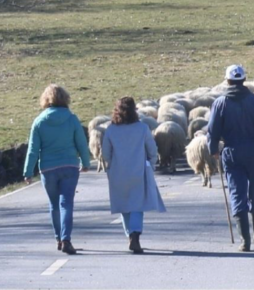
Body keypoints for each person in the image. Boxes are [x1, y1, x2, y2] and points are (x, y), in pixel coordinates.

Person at [207, 64, 254, 252]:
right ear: (244, 80)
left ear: (228, 81)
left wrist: (213, 149)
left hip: (231, 153)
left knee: (237, 192)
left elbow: (212, 130)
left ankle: (245, 240)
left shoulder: (220, 103)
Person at [23, 84, 91, 255]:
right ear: (64, 98)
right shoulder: (71, 118)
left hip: (48, 167)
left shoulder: (39, 121)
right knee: (66, 203)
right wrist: (86, 162)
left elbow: (33, 149)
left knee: (54, 205)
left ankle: (59, 239)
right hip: (69, 165)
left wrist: (28, 171)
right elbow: (81, 142)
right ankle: (66, 238)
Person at [102, 97, 166, 254]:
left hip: (118, 172)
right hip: (138, 171)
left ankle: (129, 234)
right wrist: (150, 164)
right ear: (134, 111)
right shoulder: (142, 128)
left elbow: (105, 153)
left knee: (124, 205)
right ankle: (135, 234)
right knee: (137, 204)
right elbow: (152, 149)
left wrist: (111, 167)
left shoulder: (111, 130)